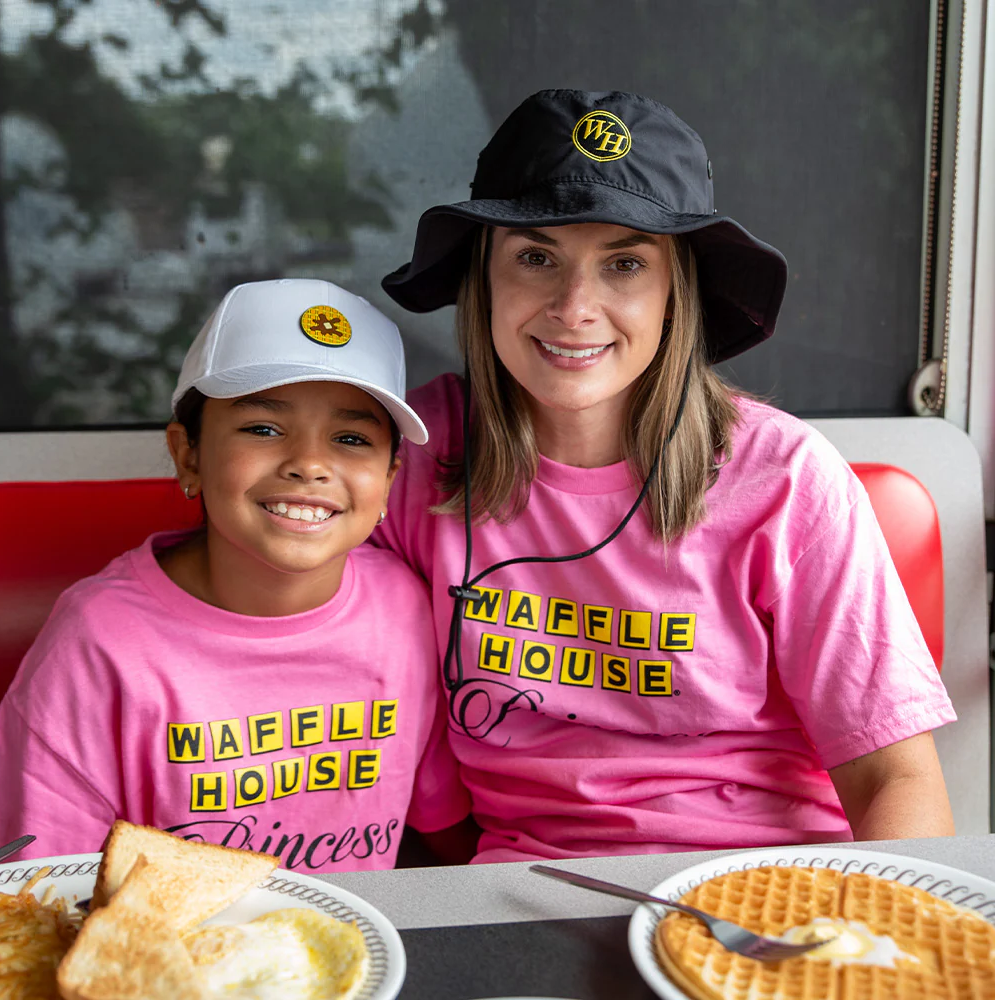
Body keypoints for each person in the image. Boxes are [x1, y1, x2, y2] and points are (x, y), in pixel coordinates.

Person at [374, 89, 957, 864]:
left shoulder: (787, 480)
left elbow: (897, 779)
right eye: (536, 257)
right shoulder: (412, 451)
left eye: (624, 263)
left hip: (772, 886)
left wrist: (865, 952)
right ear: (484, 278)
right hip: (521, 894)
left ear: (674, 292)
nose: (575, 307)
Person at [0, 278, 472, 873]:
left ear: (390, 481)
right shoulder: (97, 642)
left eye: (351, 438)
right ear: (188, 453)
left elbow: (444, 825)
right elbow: (38, 887)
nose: (309, 465)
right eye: (263, 429)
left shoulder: (403, 606)